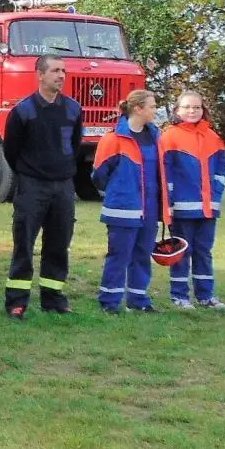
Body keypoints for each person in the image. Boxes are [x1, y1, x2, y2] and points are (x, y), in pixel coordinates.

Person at [2, 55, 83, 319]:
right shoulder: (23, 111)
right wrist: (30, 173)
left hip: (63, 186)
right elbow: (11, 150)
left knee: (59, 243)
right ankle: (16, 301)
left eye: (63, 71)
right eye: (55, 70)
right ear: (40, 75)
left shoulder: (73, 109)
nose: (61, 75)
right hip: (32, 186)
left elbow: (75, 144)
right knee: (24, 243)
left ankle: (53, 298)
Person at [92, 90, 168, 314]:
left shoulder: (156, 137)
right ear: (138, 109)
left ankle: (139, 301)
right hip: (123, 210)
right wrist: (121, 191)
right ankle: (110, 302)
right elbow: (99, 175)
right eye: (153, 106)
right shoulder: (113, 139)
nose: (156, 110)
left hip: (150, 209)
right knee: (119, 256)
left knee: (143, 255)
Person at [161, 91, 225, 309]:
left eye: (197, 107)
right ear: (177, 110)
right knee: (181, 252)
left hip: (208, 209)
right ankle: (179, 296)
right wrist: (168, 203)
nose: (192, 111)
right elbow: (165, 173)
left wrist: (216, 194)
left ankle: (206, 296)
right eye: (187, 107)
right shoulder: (169, 136)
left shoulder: (213, 137)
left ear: (203, 109)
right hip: (181, 208)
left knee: (204, 252)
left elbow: (221, 169)